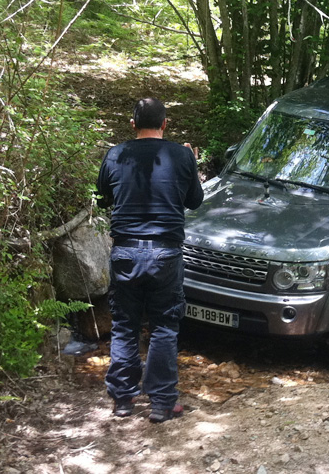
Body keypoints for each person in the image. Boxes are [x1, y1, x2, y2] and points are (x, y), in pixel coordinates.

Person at [95, 98, 203, 423]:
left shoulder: (116, 154)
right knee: (164, 327)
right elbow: (195, 202)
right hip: (166, 253)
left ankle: (123, 402)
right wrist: (192, 165)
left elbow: (102, 199)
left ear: (132, 125)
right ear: (165, 124)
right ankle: (162, 403)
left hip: (125, 251)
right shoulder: (181, 155)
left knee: (125, 326)